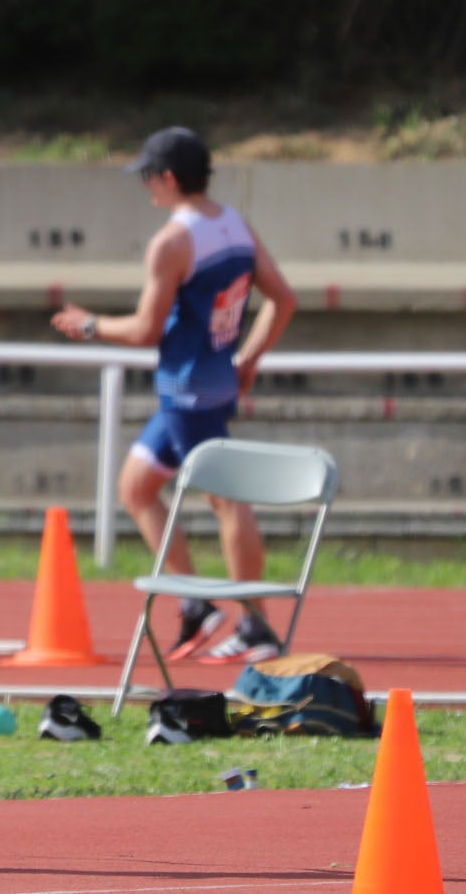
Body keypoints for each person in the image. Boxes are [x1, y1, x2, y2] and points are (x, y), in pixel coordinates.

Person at [51, 127, 298, 662]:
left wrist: (88, 324)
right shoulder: (235, 224)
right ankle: (195, 602)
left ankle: (256, 623)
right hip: (209, 382)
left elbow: (145, 330)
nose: (146, 189)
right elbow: (284, 298)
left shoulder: (173, 241)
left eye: (147, 178)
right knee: (137, 488)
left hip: (188, 389)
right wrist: (248, 359)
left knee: (226, 503)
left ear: (167, 178)